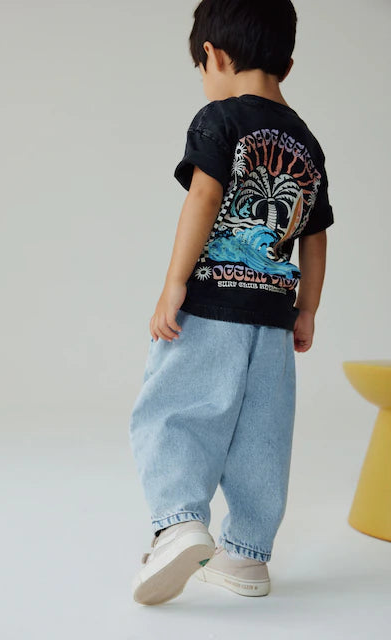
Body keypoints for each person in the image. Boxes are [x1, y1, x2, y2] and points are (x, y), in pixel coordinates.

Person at [129, 0, 334, 606]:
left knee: (174, 408)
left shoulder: (219, 118)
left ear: (213, 55)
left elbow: (203, 197)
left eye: (201, 68)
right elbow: (316, 235)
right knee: (262, 435)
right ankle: (247, 555)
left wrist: (174, 282)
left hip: (212, 305)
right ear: (286, 66)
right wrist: (307, 308)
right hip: (273, 319)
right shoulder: (308, 143)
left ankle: (179, 523)